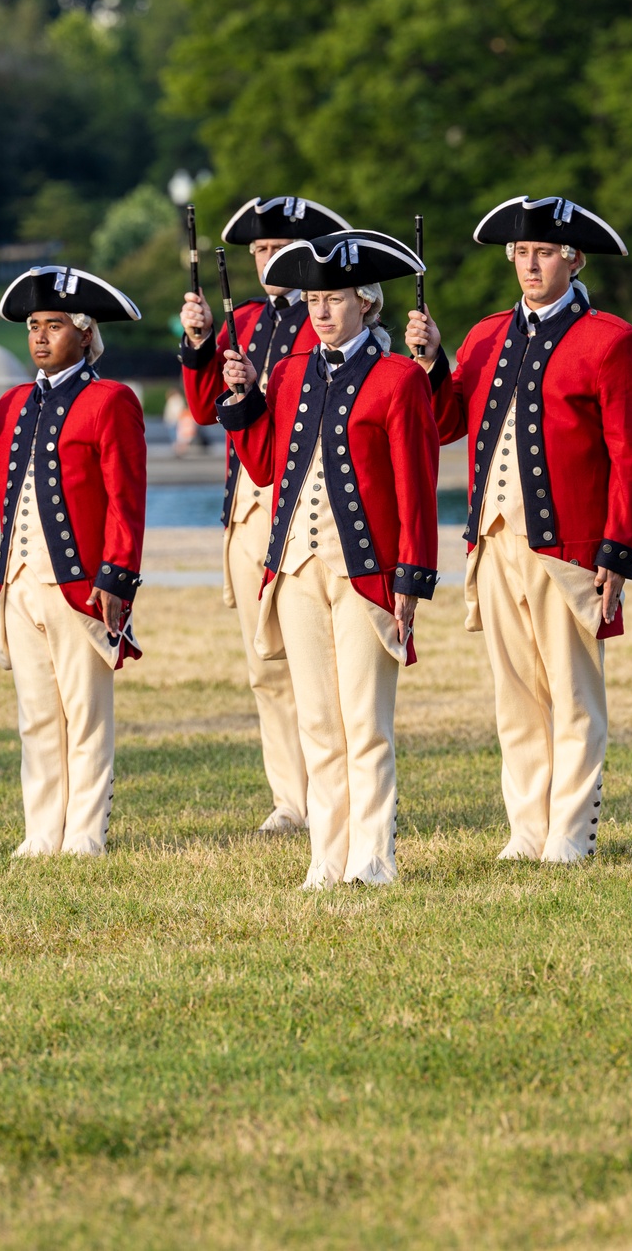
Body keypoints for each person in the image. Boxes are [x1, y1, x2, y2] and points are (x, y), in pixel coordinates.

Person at [405, 196, 632, 864]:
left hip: (571, 545)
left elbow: (631, 454)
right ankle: (528, 830)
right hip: (492, 541)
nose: (530, 263)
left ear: (573, 259)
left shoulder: (611, 340)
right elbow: (446, 423)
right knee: (514, 696)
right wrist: (431, 366)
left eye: (544, 252)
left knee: (572, 693)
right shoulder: (486, 336)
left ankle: (571, 832)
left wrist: (620, 550)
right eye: (521, 252)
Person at [218, 229, 439, 889]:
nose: (320, 312)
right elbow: (264, 465)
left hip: (366, 571)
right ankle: (328, 855)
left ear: (366, 302)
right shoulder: (287, 374)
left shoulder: (399, 378)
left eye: (334, 299)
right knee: (316, 716)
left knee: (364, 720)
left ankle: (373, 856)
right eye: (313, 299)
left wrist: (411, 578)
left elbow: (416, 488)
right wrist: (243, 402)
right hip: (296, 565)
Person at [0, 265, 147, 858]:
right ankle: (41, 832)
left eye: (53, 325)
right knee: (36, 716)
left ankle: (84, 832)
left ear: (84, 335)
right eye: (34, 326)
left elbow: (125, 500)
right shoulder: (11, 403)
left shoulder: (112, 401)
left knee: (85, 716)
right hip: (20, 582)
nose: (39, 336)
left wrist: (117, 578)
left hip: (82, 587)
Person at [179, 195, 352, 835]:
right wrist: (198, 341)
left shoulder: (328, 321)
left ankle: (339, 790)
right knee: (266, 662)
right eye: (258, 250)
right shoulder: (243, 319)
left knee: (324, 660)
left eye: (278, 249)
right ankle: (291, 797)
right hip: (247, 510)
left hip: (305, 508)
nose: (267, 260)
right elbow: (203, 409)